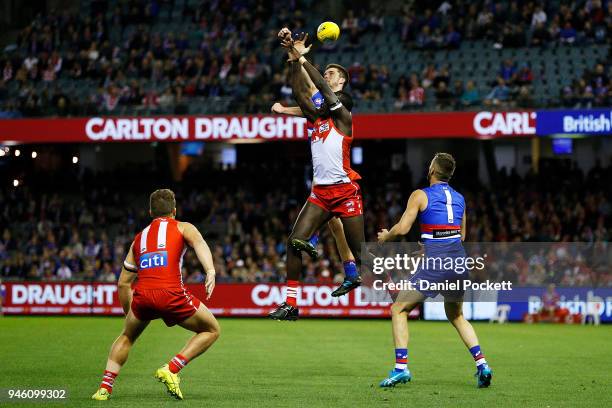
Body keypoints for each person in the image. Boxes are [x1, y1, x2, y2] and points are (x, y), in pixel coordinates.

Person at [268, 29, 366, 321]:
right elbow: (304, 93)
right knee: (293, 242)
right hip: (321, 193)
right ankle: (291, 304)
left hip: (346, 191)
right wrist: (292, 59)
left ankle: (391, 283)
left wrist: (302, 57)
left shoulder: (343, 113)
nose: (329, 74)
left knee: (363, 253)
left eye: (333, 73)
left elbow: (321, 88)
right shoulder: (318, 117)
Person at [377, 153, 493, 388]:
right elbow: (460, 236)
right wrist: (429, 246)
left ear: (431, 170)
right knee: (457, 316)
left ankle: (401, 368)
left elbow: (402, 228)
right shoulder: (460, 198)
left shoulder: (420, 195)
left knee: (398, 308)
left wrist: (386, 235)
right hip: (458, 263)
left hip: (437, 263)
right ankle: (483, 365)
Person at [91, 189, 220, 401]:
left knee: (127, 336)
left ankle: (104, 389)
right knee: (212, 329)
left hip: (143, 296)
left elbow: (123, 283)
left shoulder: (139, 239)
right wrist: (210, 271)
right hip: (171, 293)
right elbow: (200, 244)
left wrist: (130, 314)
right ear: (175, 211)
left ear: (150, 211)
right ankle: (171, 368)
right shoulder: (183, 227)